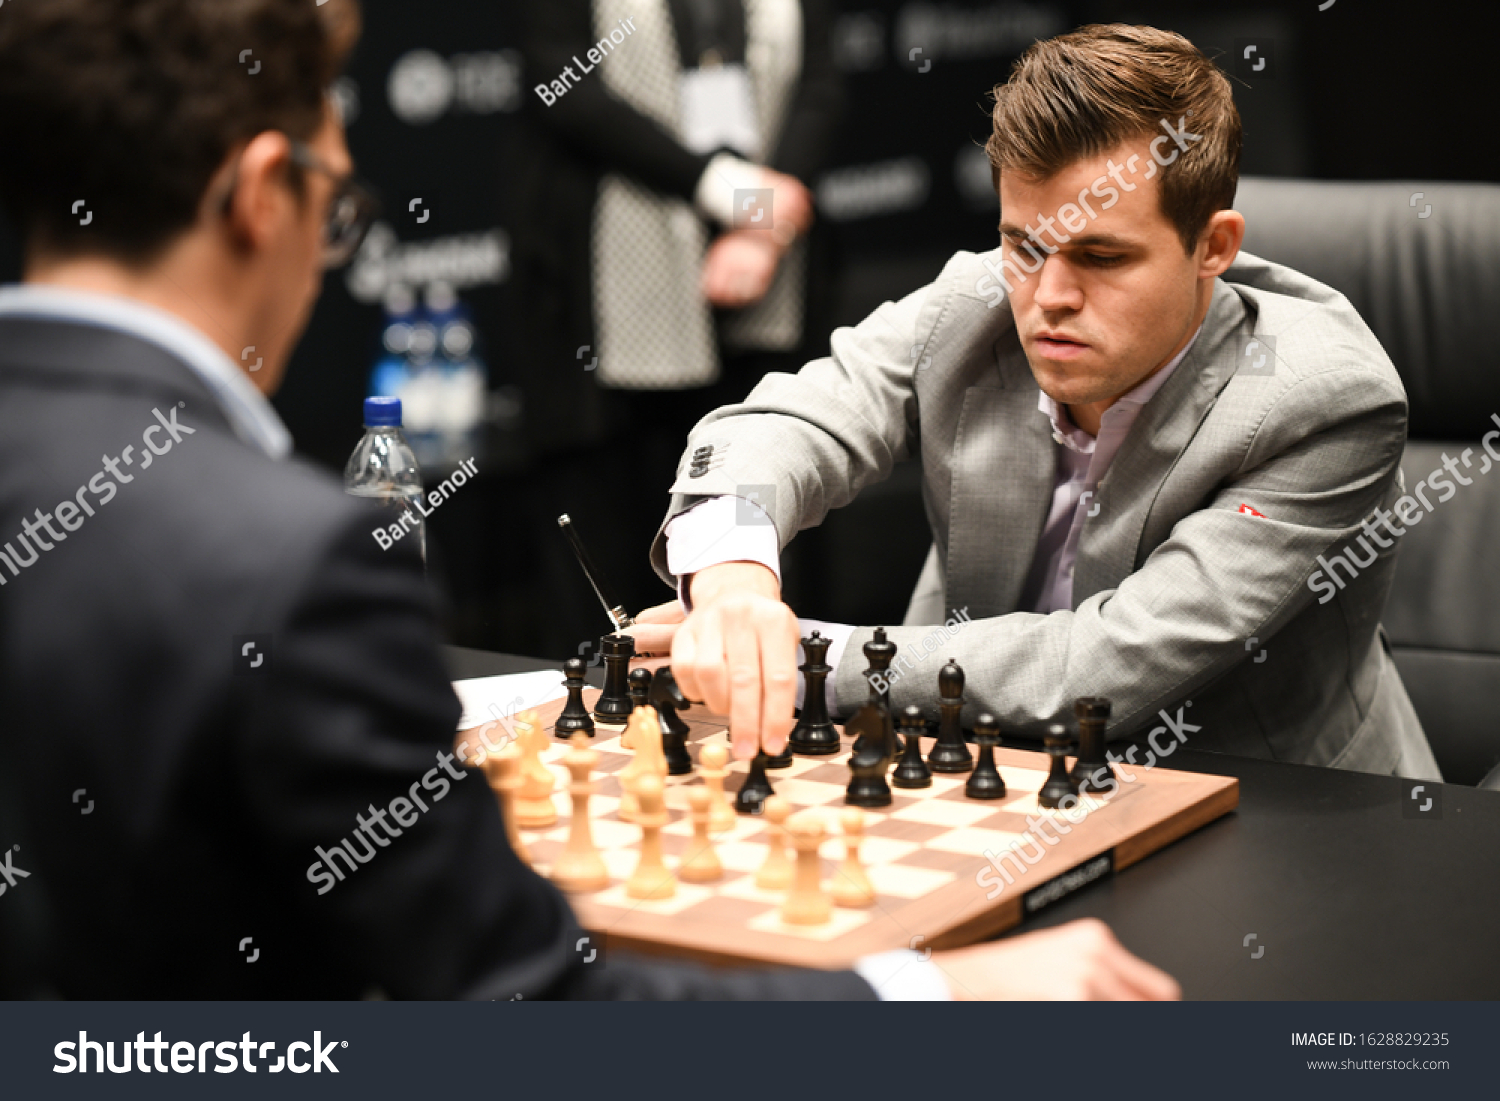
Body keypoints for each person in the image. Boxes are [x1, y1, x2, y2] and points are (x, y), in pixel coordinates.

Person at [0, 0, 1176, 1001]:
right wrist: (926, 988)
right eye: (338, 212)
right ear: (266, 194)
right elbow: (533, 1006)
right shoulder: (289, 564)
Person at [632, 24, 1442, 781]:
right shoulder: (976, 303)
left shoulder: (1324, 399)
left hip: (1280, 816)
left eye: (1101, 255)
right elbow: (779, 425)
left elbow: (1102, 667)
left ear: (1214, 248)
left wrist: (800, 657)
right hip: (992, 778)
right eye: (1023, 243)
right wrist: (735, 587)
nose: (1047, 297)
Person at [509, 0, 844, 661]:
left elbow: (820, 86)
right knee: (615, 545)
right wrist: (725, 190)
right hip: (603, 302)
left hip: (769, 282)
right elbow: (567, 89)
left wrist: (764, 227)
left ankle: (764, 704)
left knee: (771, 493)